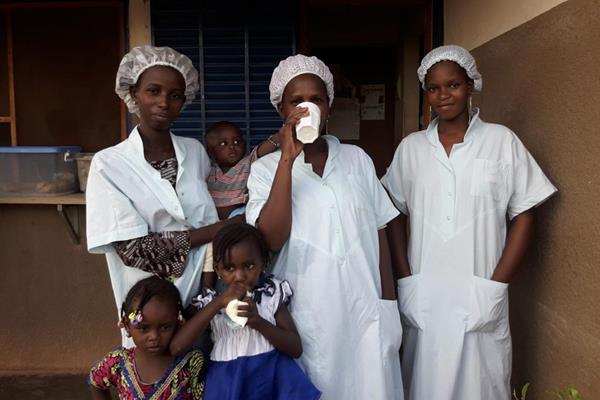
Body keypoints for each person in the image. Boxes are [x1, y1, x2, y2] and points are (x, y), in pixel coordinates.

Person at [381, 45, 558, 400]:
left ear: (471, 84)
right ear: (426, 93)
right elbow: (394, 212)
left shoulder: (500, 141)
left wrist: (497, 285)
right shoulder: (412, 149)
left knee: (483, 383)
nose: (443, 95)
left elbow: (525, 214)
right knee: (423, 382)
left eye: (453, 84)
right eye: (433, 87)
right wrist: (404, 279)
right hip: (425, 291)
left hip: (481, 290)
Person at [245, 54, 404, 400]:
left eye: (315, 99)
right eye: (296, 101)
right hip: (306, 315)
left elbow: (380, 230)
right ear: (281, 110)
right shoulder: (264, 170)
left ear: (329, 106)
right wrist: (286, 159)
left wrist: (388, 304)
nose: (306, 108)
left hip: (364, 309)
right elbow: (270, 238)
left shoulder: (357, 160)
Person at [86, 46, 239, 347]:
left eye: (175, 95)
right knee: (157, 383)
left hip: (205, 294)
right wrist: (216, 231)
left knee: (203, 374)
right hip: (150, 307)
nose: (164, 103)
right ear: (134, 93)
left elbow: (217, 199)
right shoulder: (109, 164)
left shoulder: (195, 152)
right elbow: (134, 249)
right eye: (153, 91)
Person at [169, 222, 321, 400]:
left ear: (263, 263)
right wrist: (218, 303)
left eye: (248, 266)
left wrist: (258, 322)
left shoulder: (269, 297)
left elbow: (295, 348)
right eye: (230, 268)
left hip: (271, 377)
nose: (239, 276)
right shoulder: (211, 305)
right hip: (227, 383)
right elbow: (177, 347)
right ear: (218, 270)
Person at [89, 276, 204, 399]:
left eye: (165, 327)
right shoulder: (117, 363)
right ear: (127, 326)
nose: (154, 337)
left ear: (179, 322)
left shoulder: (191, 363)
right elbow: (96, 381)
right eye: (144, 328)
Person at [205, 121, 280, 221]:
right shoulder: (207, 170)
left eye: (237, 141)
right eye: (223, 143)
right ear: (211, 152)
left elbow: (260, 151)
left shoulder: (246, 164)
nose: (232, 147)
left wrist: (277, 138)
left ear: (244, 145)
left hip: (238, 216)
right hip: (212, 220)